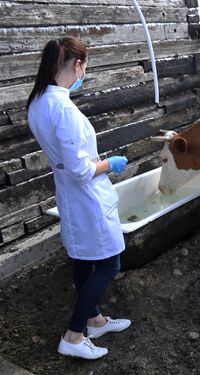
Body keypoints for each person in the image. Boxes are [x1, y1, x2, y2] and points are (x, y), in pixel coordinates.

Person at [27, 36, 131, 360]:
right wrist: (110, 164)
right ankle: (74, 335)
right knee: (109, 263)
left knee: (85, 258)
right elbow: (81, 170)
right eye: (85, 66)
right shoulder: (63, 109)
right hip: (86, 195)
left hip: (71, 195)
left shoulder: (38, 102)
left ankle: (94, 319)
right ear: (77, 65)